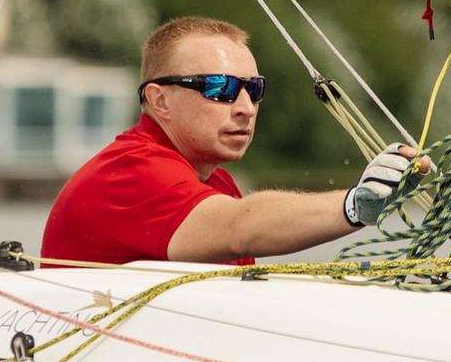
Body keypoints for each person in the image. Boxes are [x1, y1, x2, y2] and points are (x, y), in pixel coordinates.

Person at [41, 16, 422, 267]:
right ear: (160, 100)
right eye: (220, 88)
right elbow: (240, 229)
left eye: (253, 89)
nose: (246, 108)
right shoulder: (130, 170)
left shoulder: (213, 181)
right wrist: (355, 205)